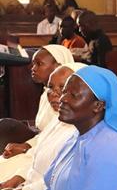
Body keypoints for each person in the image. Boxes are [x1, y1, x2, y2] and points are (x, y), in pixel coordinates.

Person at [0, 64, 84, 190]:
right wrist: (16, 180)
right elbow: (38, 157)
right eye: (50, 87)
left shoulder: (81, 132)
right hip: (31, 189)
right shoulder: (59, 120)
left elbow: (57, 183)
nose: (54, 94)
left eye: (63, 88)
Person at [0, 45, 74, 181]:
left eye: (39, 64)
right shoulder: (47, 94)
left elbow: (55, 145)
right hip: (39, 147)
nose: (33, 68)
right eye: (33, 63)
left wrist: (26, 149)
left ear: (58, 66)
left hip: (45, 156)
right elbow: (46, 134)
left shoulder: (69, 104)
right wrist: (26, 145)